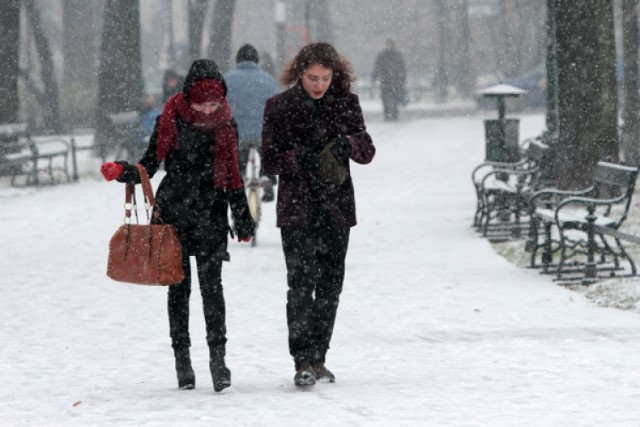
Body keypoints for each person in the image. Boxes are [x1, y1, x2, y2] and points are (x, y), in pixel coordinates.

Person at [100, 59, 255, 393]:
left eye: (215, 102)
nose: (209, 109)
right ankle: (182, 360)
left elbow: (234, 175)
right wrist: (122, 171)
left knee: (213, 289)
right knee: (178, 288)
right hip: (175, 213)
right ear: (189, 96)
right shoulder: (170, 117)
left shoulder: (227, 123)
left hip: (211, 213)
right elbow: (150, 163)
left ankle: (218, 359)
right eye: (203, 102)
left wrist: (241, 216)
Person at [261, 42, 376, 386]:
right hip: (297, 208)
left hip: (336, 207)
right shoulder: (278, 107)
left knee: (329, 286)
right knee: (300, 285)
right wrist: (299, 159)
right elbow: (269, 159)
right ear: (299, 73)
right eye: (313, 77)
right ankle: (301, 360)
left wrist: (348, 145)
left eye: (326, 77)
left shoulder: (346, 104)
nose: (319, 84)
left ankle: (319, 356)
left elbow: (367, 150)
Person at [224, 44, 280, 202]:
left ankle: (238, 181)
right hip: (263, 131)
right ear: (256, 59)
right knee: (265, 150)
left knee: (237, 158)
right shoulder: (268, 80)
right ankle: (266, 177)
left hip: (237, 133)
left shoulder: (227, 80)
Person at [372, 38, 407, 121]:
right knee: (385, 98)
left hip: (395, 81)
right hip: (386, 81)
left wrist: (402, 78)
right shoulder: (383, 55)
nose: (389, 46)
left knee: (394, 98)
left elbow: (402, 68)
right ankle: (387, 113)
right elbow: (377, 67)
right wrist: (374, 77)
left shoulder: (397, 55)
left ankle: (394, 113)